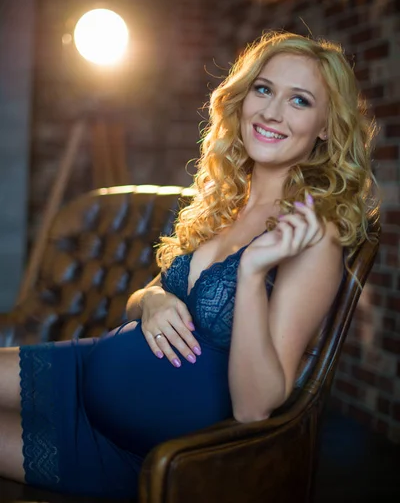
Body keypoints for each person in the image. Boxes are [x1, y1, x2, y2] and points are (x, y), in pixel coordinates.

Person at [0, 31, 378, 498]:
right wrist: (156, 300)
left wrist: (253, 271)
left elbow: (256, 407)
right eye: (263, 89)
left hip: (139, 453)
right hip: (83, 369)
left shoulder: (311, 234)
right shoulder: (222, 203)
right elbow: (138, 299)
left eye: (299, 100)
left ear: (325, 125)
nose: (272, 112)